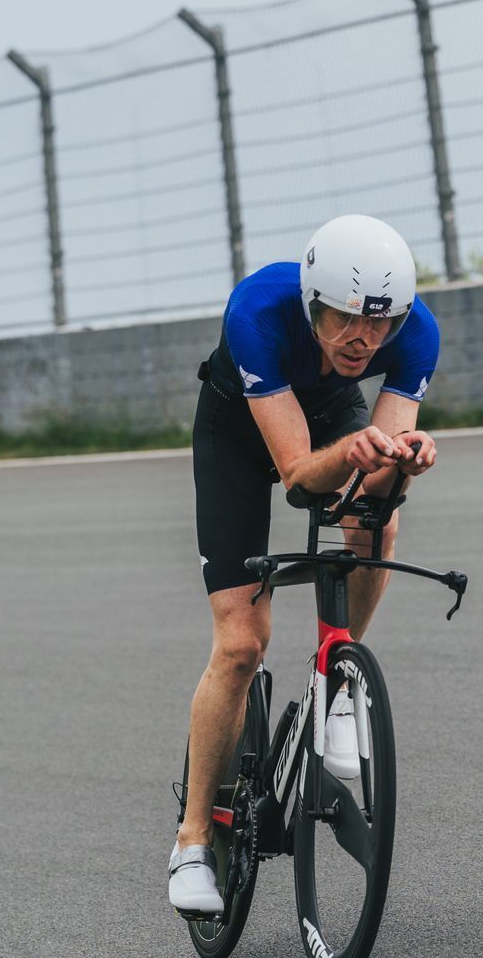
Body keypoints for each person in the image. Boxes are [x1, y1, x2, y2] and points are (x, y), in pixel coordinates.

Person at [171, 214, 440, 915]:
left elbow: (375, 480)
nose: (363, 339)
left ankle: (340, 685)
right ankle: (192, 841)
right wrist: (354, 452)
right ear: (311, 301)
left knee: (379, 519)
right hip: (237, 430)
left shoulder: (417, 333)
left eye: (379, 323)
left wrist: (402, 460)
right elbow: (296, 477)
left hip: (325, 412)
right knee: (241, 643)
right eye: (344, 318)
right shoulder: (258, 311)